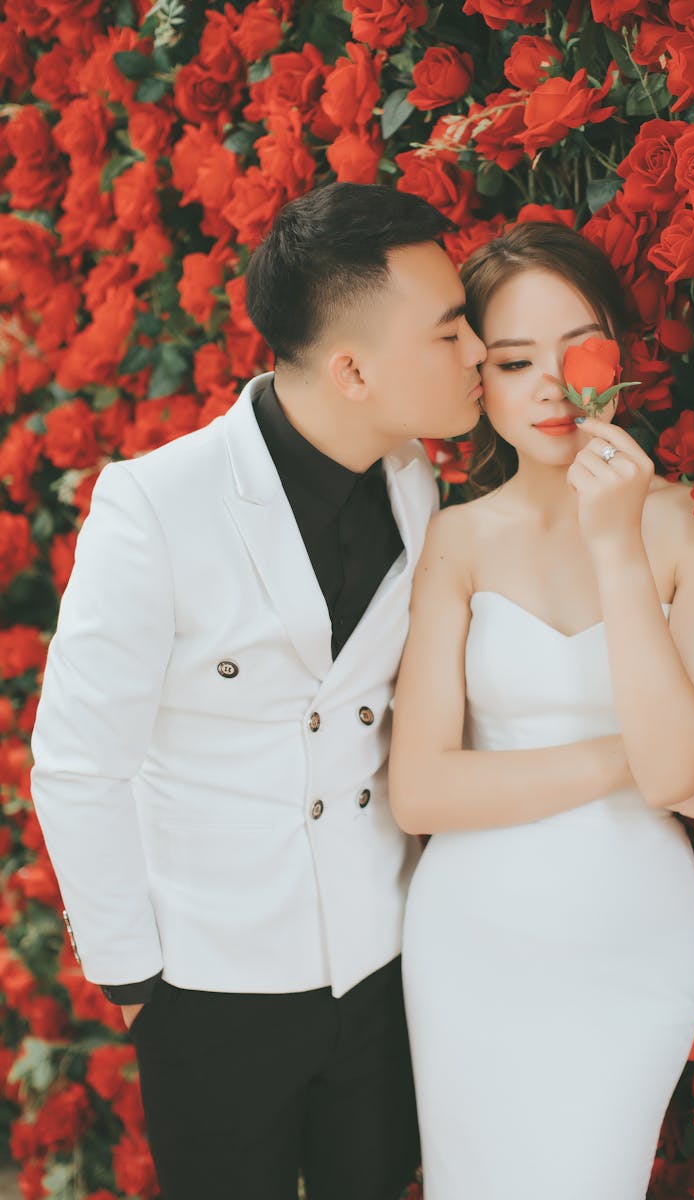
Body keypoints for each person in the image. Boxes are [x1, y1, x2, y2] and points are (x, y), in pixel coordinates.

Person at [29, 182, 486, 1200]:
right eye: (449, 333)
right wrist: (137, 981)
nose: (475, 355)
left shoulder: (417, 481)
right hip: (210, 982)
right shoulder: (155, 505)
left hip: (377, 959)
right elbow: (74, 763)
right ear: (352, 367)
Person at [390, 222, 694, 1200]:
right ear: (480, 380)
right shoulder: (454, 542)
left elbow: (679, 774)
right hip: (471, 939)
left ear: (620, 359)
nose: (551, 384)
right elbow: (419, 789)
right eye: (513, 361)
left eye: (575, 347)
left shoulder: (691, 536)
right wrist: (624, 756)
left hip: (626, 933)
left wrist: (615, 543)